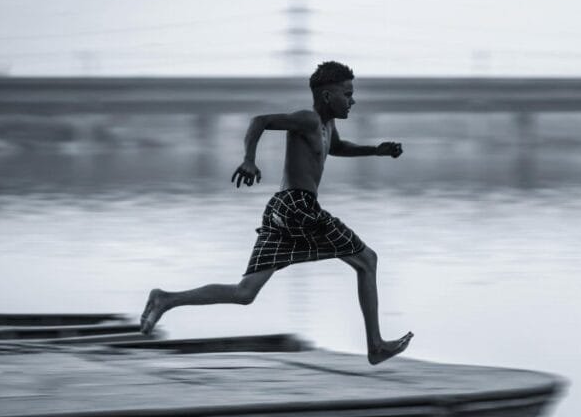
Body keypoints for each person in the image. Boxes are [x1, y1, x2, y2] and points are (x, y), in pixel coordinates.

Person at [140, 61, 413, 365]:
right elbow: (260, 121)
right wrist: (249, 159)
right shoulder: (307, 119)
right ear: (326, 97)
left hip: (281, 209)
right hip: (299, 207)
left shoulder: (327, 125)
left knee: (245, 293)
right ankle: (375, 346)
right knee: (367, 260)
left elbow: (336, 148)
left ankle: (165, 299)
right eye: (347, 94)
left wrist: (376, 150)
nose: (353, 101)